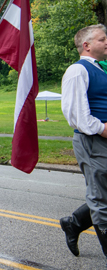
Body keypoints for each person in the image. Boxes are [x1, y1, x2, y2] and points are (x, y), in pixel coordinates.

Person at [60, 24, 107, 260]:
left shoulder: (101, 69)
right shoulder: (77, 71)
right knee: (101, 199)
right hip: (93, 140)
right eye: (102, 39)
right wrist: (103, 129)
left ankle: (75, 223)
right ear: (86, 45)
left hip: (102, 138)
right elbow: (76, 114)